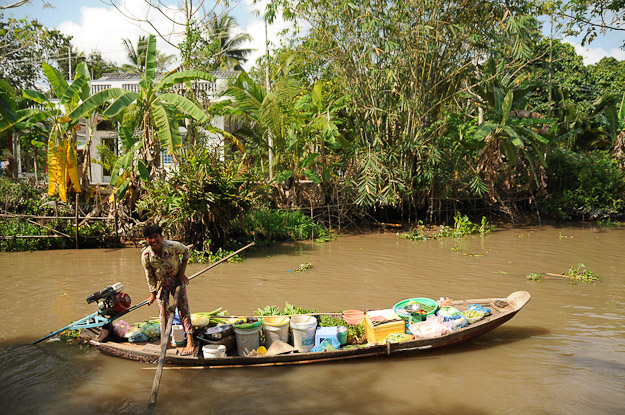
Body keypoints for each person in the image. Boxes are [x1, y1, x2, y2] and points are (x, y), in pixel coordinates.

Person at [141, 224, 195, 355]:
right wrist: (152, 294)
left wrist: (182, 273)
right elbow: (149, 275)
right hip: (161, 284)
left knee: (183, 309)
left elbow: (186, 252)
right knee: (163, 313)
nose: (153, 240)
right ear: (146, 240)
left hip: (176, 280)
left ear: (161, 237)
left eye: (156, 237)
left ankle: (190, 341)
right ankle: (167, 341)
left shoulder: (172, 246)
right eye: (150, 238)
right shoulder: (146, 255)